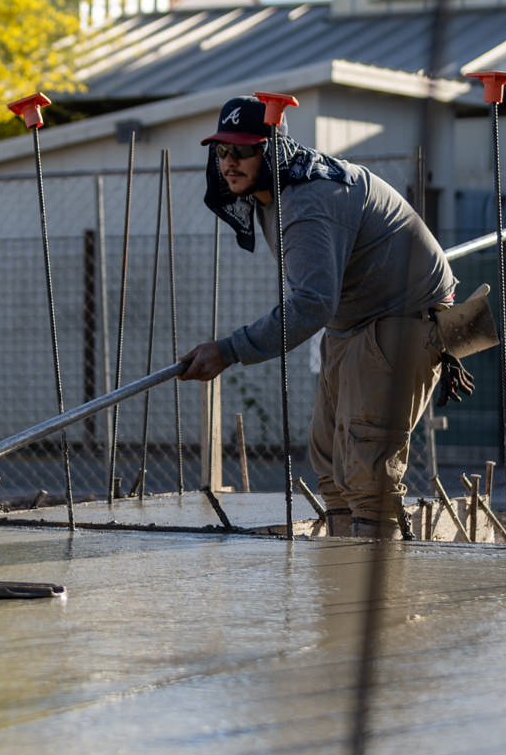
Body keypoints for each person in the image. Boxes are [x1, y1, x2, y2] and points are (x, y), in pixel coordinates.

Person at [176, 94, 472, 538]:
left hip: (400, 318)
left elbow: (312, 304)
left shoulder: (305, 201)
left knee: (367, 468)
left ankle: (373, 599)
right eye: (222, 151)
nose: (229, 161)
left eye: (243, 150)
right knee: (331, 462)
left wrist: (228, 350)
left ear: (272, 149)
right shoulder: (276, 190)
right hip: (354, 319)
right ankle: (338, 592)